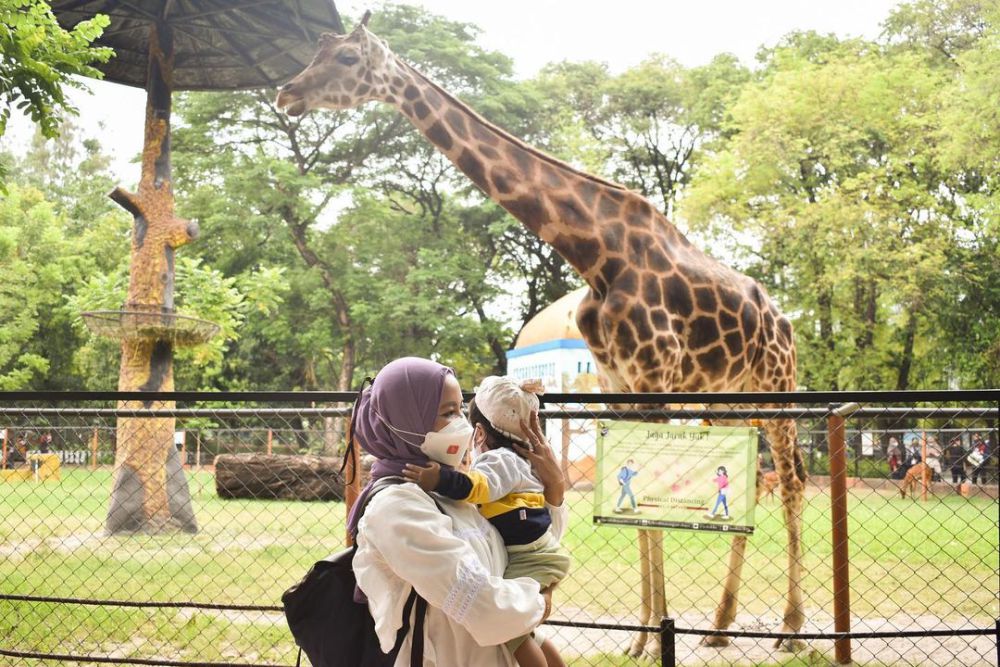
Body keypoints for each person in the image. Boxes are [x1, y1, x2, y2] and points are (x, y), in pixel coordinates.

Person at [349, 357, 566, 667]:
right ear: (407, 419)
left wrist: (554, 488)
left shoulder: (451, 493)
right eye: (448, 412)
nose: (462, 423)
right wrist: (539, 600)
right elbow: (483, 605)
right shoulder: (396, 508)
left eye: (461, 409)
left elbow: (523, 546)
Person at [404, 376, 570, 667]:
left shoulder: (499, 462)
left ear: (479, 433)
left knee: (514, 633)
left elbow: (478, 487)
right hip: (538, 555)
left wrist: (441, 479)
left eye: (458, 414)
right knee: (528, 634)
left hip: (529, 559)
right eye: (448, 413)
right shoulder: (522, 463)